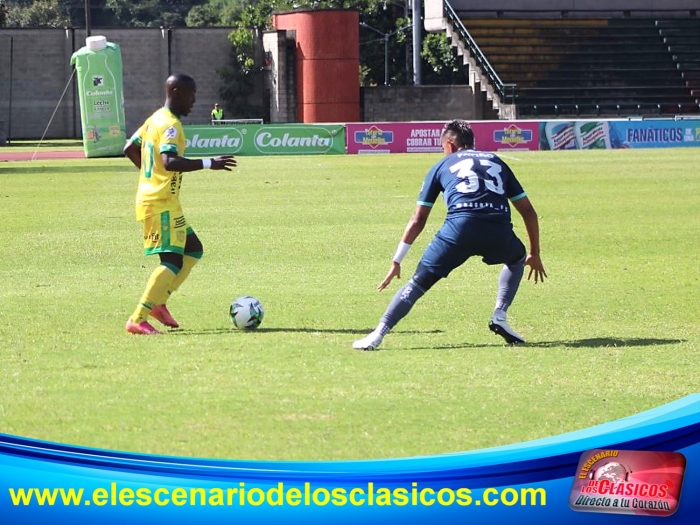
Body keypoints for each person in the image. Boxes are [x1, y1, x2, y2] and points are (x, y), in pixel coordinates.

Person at [353, 119, 547, 351]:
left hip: (459, 229)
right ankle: (500, 314)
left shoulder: (441, 166)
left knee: (418, 283)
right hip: (498, 229)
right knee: (517, 259)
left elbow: (418, 219)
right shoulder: (496, 161)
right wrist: (534, 253)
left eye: (443, 146)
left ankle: (377, 335)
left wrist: (397, 260)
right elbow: (528, 211)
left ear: (451, 145)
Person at [123, 73, 237, 335]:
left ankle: (160, 302)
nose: (194, 101)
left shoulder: (155, 119)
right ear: (175, 91)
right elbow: (169, 162)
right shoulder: (170, 125)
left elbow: (129, 147)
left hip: (164, 201)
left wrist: (149, 176)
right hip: (159, 202)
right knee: (172, 261)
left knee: (193, 250)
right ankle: (138, 317)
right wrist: (210, 163)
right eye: (191, 94)